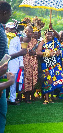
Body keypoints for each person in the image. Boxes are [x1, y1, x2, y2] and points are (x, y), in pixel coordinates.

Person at [37, 28, 63, 104]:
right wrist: (47, 53)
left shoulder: (55, 41)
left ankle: (51, 97)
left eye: (51, 34)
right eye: (48, 34)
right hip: (45, 64)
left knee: (54, 79)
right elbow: (38, 52)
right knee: (47, 80)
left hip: (54, 64)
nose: (49, 35)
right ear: (45, 35)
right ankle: (46, 99)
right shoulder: (42, 42)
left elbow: (59, 37)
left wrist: (57, 52)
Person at [0, 1, 13, 132]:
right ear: (4, 12)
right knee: (1, 111)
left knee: (2, 111)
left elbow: (5, 53)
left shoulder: (1, 28)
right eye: (9, 14)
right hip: (0, 74)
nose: (10, 16)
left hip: (2, 73)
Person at [6, 22, 23, 105]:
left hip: (14, 62)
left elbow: (20, 52)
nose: (12, 30)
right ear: (6, 29)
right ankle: (4, 98)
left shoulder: (16, 38)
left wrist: (21, 64)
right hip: (4, 62)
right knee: (3, 80)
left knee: (13, 81)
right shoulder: (3, 37)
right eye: (10, 28)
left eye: (13, 28)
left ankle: (12, 99)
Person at [22, 26, 38, 103]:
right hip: (25, 62)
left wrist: (34, 52)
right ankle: (26, 97)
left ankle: (32, 96)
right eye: (29, 32)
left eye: (32, 32)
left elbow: (37, 51)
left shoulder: (34, 41)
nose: (31, 33)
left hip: (33, 62)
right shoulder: (22, 40)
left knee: (33, 79)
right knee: (26, 79)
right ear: (25, 32)